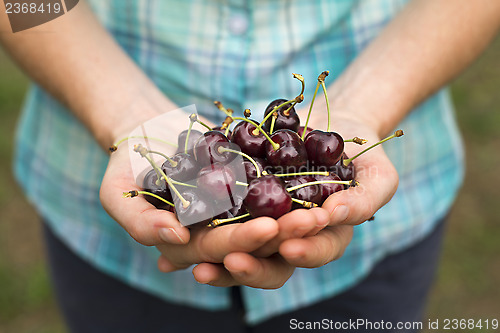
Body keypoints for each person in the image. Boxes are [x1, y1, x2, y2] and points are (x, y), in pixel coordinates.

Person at [1, 0, 499, 332]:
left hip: (380, 245)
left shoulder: (314, 158)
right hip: (103, 239)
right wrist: (121, 111)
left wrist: (367, 108)